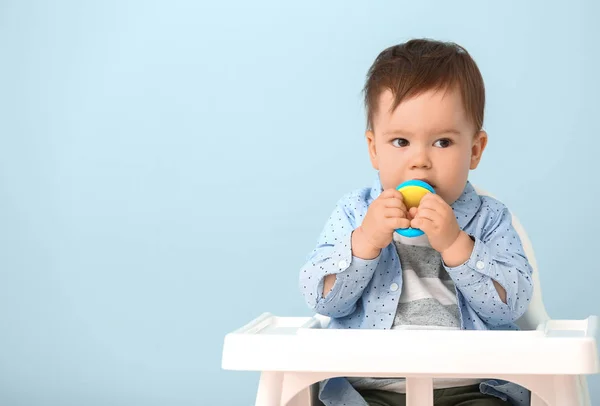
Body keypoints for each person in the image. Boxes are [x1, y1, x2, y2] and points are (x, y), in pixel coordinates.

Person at [299, 38, 534, 406]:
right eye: (400, 141)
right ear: (374, 148)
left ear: (474, 150)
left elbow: (511, 305)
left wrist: (457, 245)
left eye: (442, 142)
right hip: (370, 388)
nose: (419, 161)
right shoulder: (354, 213)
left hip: (471, 388)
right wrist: (365, 241)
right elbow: (323, 298)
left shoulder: (491, 219)